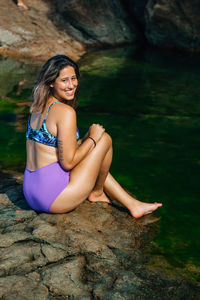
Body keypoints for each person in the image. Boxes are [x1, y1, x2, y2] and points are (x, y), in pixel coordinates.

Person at [23, 55, 162, 218]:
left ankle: (132, 204)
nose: (71, 85)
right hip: (53, 198)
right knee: (104, 139)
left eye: (73, 78)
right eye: (64, 80)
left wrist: (87, 139)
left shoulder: (37, 107)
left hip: (31, 191)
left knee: (91, 141)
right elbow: (68, 163)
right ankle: (97, 192)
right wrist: (93, 139)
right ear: (51, 82)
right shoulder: (65, 112)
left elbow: (56, 149)